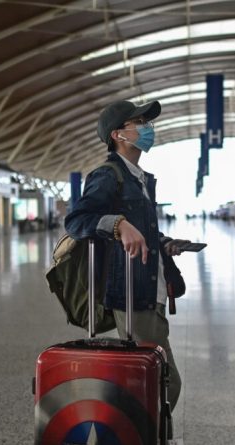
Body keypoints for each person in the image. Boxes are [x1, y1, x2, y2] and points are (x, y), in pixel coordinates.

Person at [65, 100, 189, 413]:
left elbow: (142, 230)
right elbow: (76, 221)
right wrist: (117, 224)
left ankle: (143, 434)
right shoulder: (109, 175)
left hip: (151, 289)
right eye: (139, 122)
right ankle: (128, 433)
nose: (148, 128)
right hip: (131, 295)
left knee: (155, 379)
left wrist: (164, 243)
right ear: (119, 134)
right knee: (165, 382)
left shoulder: (140, 178)